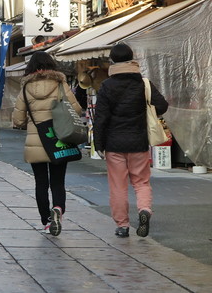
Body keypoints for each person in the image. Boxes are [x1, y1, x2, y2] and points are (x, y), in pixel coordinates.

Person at [94, 43, 168, 238]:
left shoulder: (107, 86)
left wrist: (99, 144)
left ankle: (123, 225)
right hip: (138, 142)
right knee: (141, 182)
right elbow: (162, 105)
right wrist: (146, 111)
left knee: (118, 185)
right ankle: (144, 210)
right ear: (132, 59)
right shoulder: (143, 83)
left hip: (114, 144)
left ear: (112, 61)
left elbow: (100, 117)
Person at [11, 51, 83, 236]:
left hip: (35, 141)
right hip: (59, 138)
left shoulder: (26, 88)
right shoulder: (60, 84)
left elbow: (18, 120)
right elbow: (76, 108)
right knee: (58, 182)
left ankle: (46, 221)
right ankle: (58, 208)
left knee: (40, 183)